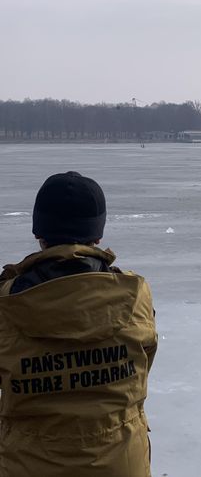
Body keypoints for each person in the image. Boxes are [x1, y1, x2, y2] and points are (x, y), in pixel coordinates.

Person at [0, 172, 158, 477]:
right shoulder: (135, 295)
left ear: (39, 234)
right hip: (120, 462)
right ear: (97, 236)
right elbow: (144, 361)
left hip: (29, 464)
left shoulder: (6, 305)